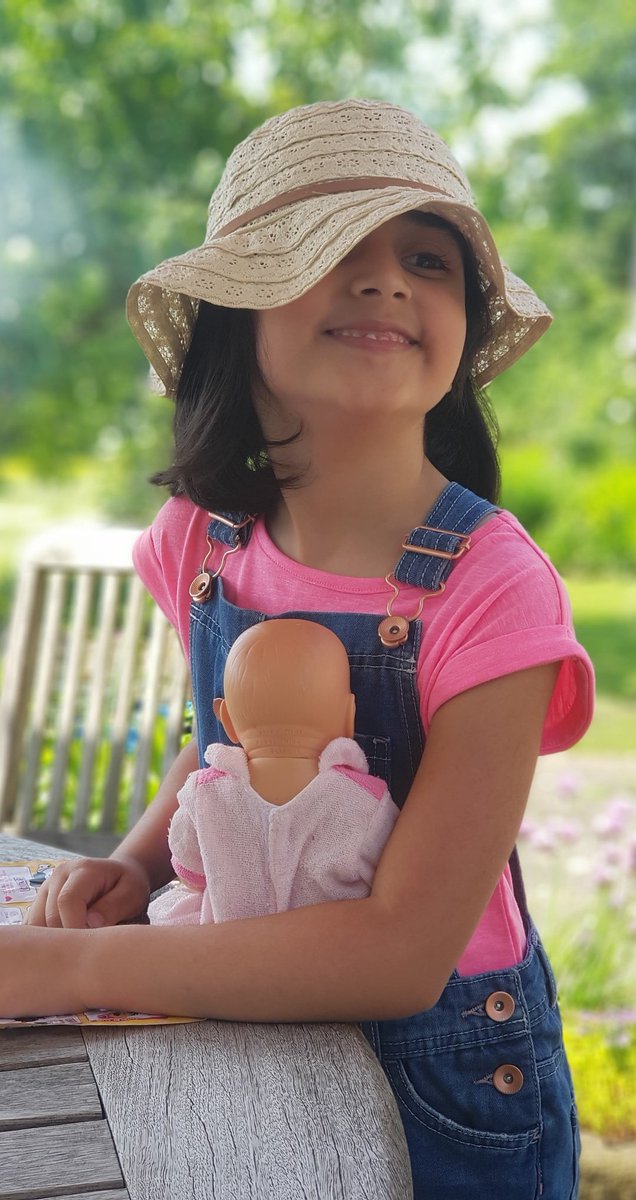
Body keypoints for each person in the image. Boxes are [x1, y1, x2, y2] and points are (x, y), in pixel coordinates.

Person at [15, 99, 594, 1197]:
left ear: (465, 327)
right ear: (237, 313)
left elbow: (398, 950)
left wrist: (70, 966)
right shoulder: (202, 544)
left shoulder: (493, 588)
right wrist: (136, 868)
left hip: (436, 1089)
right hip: (217, 1023)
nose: (385, 280)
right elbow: (220, 748)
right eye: (330, 250)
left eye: (427, 258)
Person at [147, 618, 399, 925]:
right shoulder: (362, 802)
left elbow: (190, 870)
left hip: (220, 954)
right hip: (327, 961)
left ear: (226, 721)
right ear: (349, 717)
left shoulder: (205, 793)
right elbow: (389, 884)